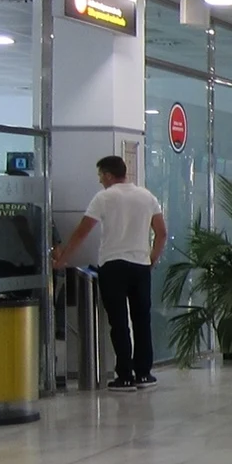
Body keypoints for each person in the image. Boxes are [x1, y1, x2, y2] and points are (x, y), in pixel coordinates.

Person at [50, 156, 167, 391]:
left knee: (119, 322)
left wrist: (63, 259)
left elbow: (82, 232)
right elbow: (161, 233)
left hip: (113, 265)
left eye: (100, 176)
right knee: (141, 320)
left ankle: (124, 376)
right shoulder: (147, 197)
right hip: (140, 265)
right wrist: (151, 259)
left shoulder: (104, 197)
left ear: (108, 175)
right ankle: (144, 373)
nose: (100, 181)